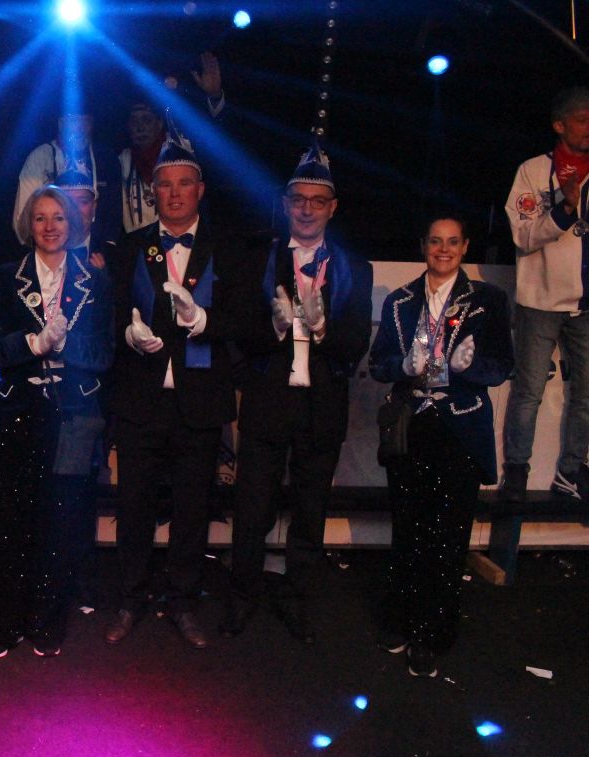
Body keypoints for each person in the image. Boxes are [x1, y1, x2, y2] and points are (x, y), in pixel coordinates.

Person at [225, 142, 373, 643]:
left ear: (333, 207)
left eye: (317, 201)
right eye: (299, 200)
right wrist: (272, 328)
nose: (307, 209)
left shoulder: (354, 267)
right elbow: (239, 333)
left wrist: (323, 329)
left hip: (322, 405)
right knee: (252, 508)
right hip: (269, 401)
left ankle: (295, 600)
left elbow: (356, 343)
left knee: (310, 512)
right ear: (286, 204)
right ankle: (242, 596)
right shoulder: (259, 259)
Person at [106, 126, 248, 649]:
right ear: (153, 191)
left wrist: (203, 320)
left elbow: (242, 322)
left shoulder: (227, 249)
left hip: (200, 400)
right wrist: (127, 334)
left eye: (184, 183)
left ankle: (184, 601)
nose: (174, 193)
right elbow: (113, 316)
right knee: (134, 506)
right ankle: (130, 597)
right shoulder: (130, 247)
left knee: (192, 508)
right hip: (141, 399)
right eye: (165, 185)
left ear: (200, 190)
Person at [369, 216, 514, 678]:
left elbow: (501, 367)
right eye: (436, 241)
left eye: (453, 242)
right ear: (424, 246)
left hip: (460, 429)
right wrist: (404, 365)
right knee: (408, 530)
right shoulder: (400, 300)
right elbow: (378, 364)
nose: (444, 249)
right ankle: (400, 619)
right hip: (411, 428)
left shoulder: (487, 300)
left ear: (465, 246)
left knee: (447, 539)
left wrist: (465, 368)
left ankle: (431, 634)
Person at [0, 185, 113, 658]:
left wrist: (66, 344)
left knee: (61, 523)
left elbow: (104, 353)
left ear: (72, 222)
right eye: (40, 217)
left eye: (58, 217)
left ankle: (46, 621)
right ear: (28, 224)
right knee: (9, 522)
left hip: (72, 419)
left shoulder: (94, 282)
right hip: (15, 412)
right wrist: (32, 344)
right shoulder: (3, 278)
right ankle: (4, 623)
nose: (50, 226)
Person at [501, 86, 589, 501]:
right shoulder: (534, 172)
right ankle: (517, 472)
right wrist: (563, 209)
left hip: (585, 305)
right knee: (528, 393)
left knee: (586, 396)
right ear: (559, 125)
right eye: (582, 120)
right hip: (539, 302)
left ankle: (571, 472)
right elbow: (523, 236)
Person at [120, 56, 227, 236]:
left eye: (146, 120)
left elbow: (218, 143)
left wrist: (214, 97)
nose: (140, 127)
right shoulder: (122, 160)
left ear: (159, 123)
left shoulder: (182, 149)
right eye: (134, 121)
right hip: (139, 246)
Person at [13, 113, 122, 251]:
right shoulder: (41, 157)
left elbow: (113, 214)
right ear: (60, 123)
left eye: (84, 121)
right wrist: (45, 254)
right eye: (73, 121)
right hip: (49, 250)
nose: (79, 128)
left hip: (95, 253)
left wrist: (106, 253)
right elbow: (23, 218)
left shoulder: (106, 157)